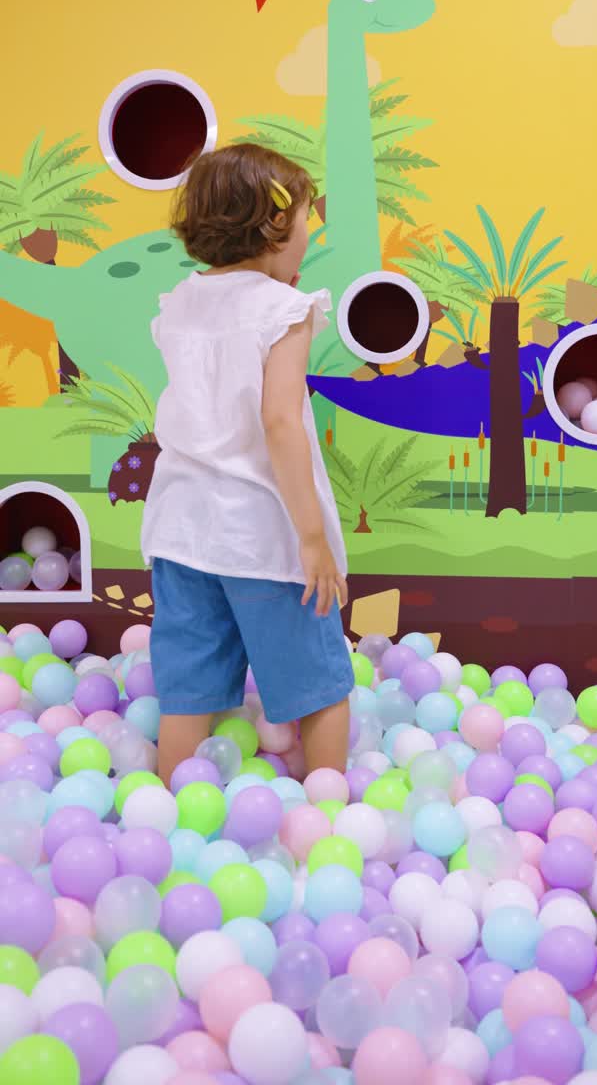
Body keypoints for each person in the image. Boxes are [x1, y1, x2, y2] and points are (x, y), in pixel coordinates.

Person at [141, 142, 354, 786]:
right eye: (306, 223)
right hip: (261, 534)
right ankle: (331, 812)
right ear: (272, 227)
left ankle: (173, 808)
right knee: (317, 681)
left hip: (180, 530)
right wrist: (311, 536)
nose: (309, 237)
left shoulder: (179, 302)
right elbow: (280, 421)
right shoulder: (283, 311)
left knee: (190, 685)